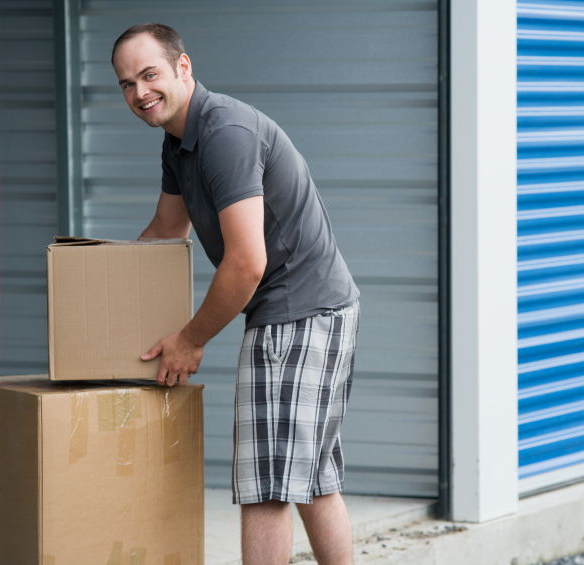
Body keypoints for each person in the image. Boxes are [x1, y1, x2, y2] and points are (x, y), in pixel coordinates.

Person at [111, 23, 360, 565]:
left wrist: (189, 340)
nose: (139, 93)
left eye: (149, 74)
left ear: (183, 67)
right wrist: (103, 288)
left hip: (294, 312)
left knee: (266, 485)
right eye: (127, 84)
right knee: (313, 479)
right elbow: (166, 229)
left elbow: (247, 263)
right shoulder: (179, 142)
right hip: (318, 307)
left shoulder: (224, 132)